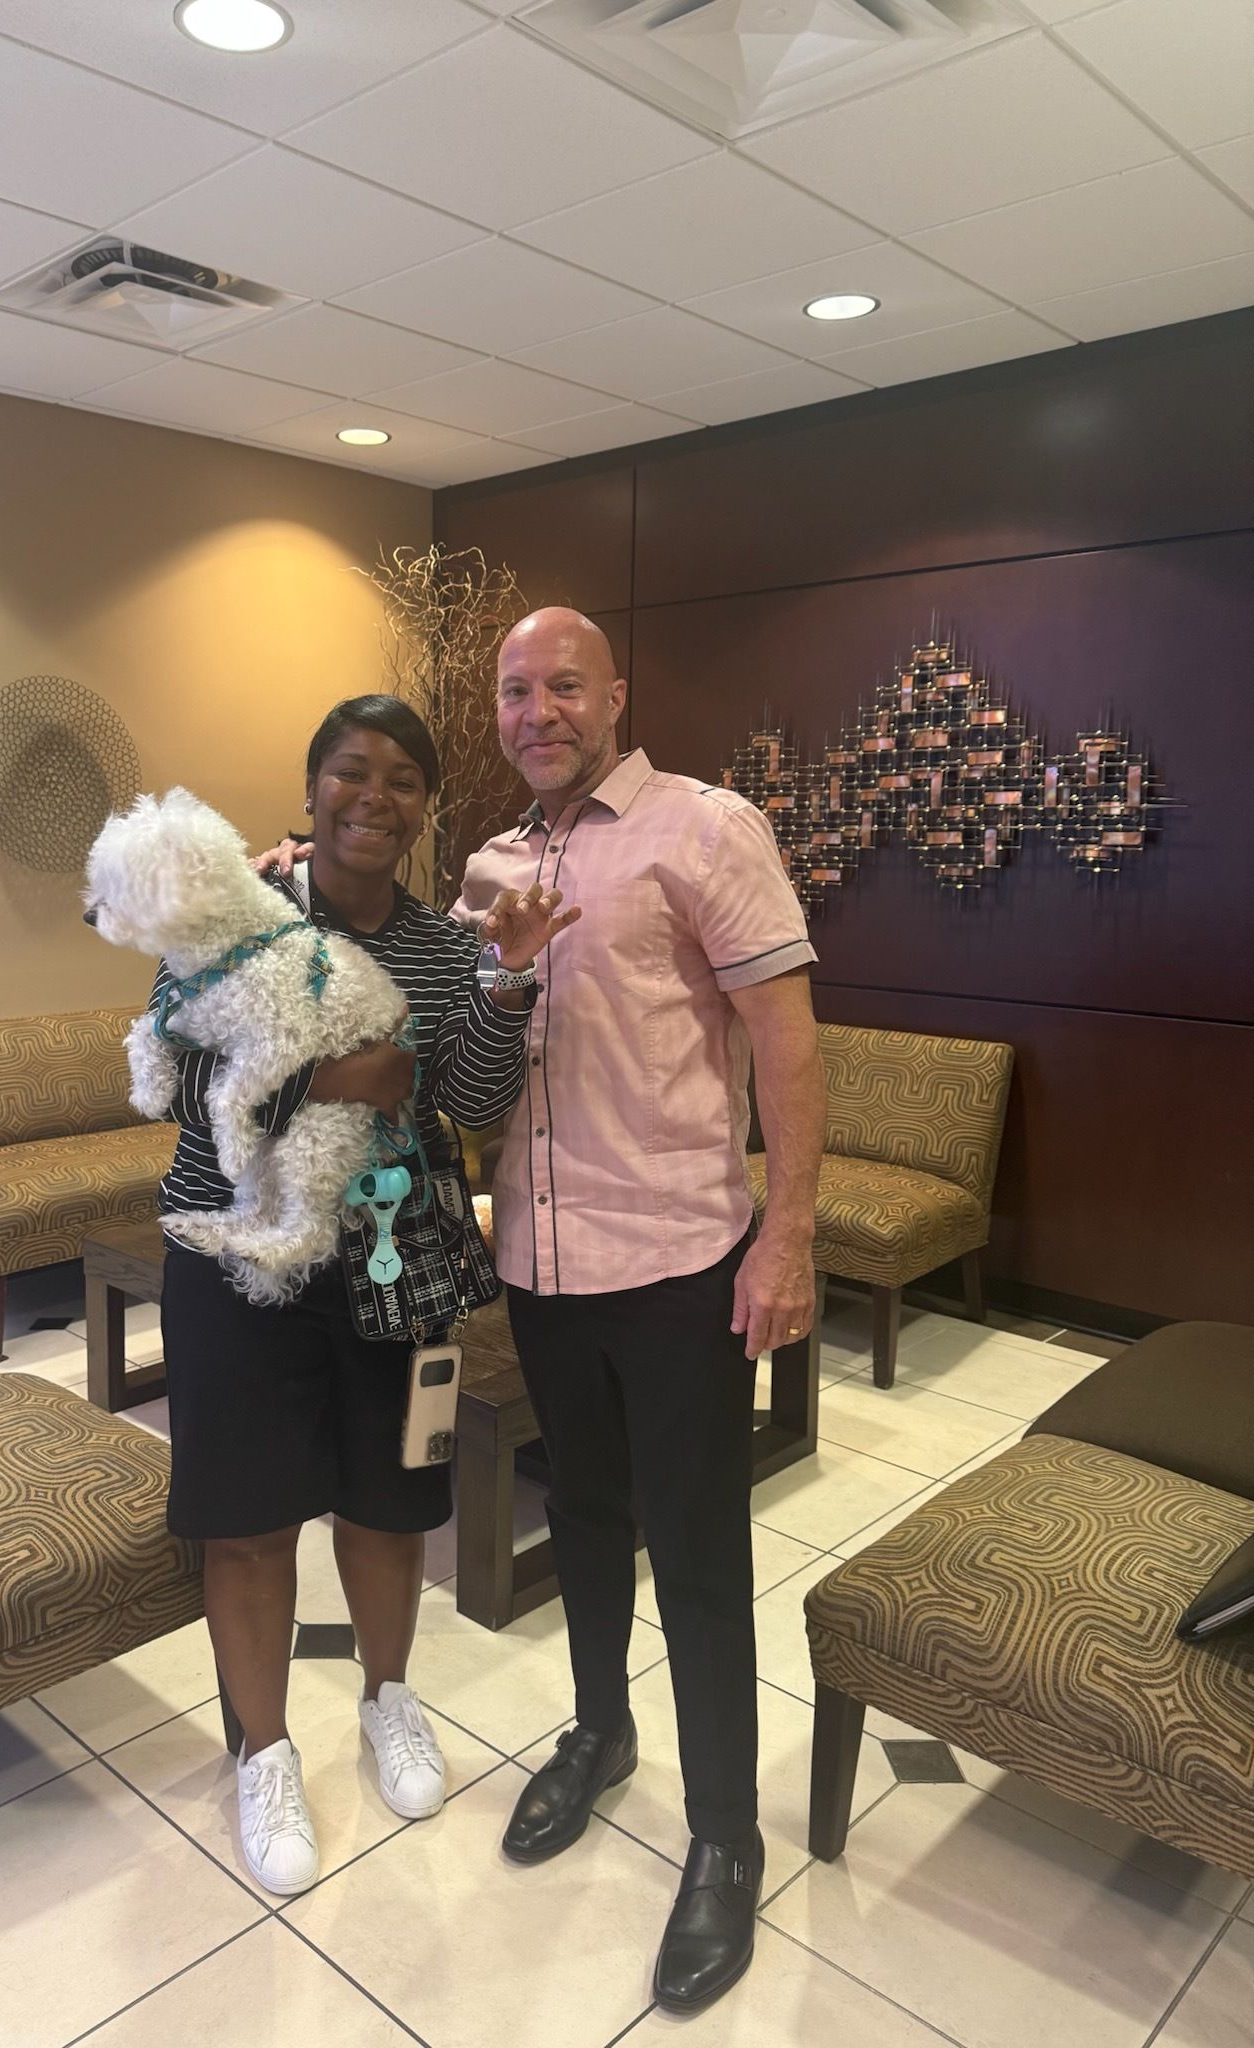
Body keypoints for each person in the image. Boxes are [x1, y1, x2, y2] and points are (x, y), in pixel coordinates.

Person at [457, 609, 826, 2014]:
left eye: (563, 684)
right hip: (541, 1268)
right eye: (514, 690)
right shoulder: (492, 866)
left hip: (678, 1263)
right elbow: (470, 1068)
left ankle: (725, 1833)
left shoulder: (704, 828)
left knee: (700, 1550)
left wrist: (785, 1234)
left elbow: (788, 1046)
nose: (538, 709)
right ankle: (600, 1730)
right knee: (588, 1522)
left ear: (614, 693)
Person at [158, 694, 574, 1897]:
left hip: (392, 1264)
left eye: (402, 779)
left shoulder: (445, 945)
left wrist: (506, 982)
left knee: (392, 1503)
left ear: (422, 810)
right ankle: (265, 1746)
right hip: (236, 1258)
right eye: (352, 771)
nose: (374, 796)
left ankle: (389, 1698)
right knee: (245, 1515)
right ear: (311, 786)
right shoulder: (235, 918)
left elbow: (476, 1099)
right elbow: (178, 1079)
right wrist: (338, 1074)